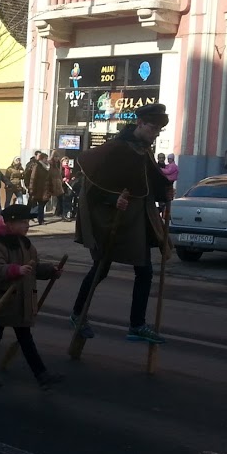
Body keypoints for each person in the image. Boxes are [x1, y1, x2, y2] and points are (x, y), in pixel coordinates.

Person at [70, 103, 174, 344]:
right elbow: (92, 186)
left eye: (159, 129)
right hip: (112, 220)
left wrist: (165, 192)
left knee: (145, 271)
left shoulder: (143, 150)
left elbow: (149, 181)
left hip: (138, 220)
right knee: (101, 268)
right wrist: (112, 199)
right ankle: (77, 313)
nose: (156, 133)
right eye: (153, 127)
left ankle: (137, 325)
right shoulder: (116, 148)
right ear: (140, 123)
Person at [0, 204, 65, 389]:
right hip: (1, 300)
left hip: (21, 302)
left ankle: (42, 375)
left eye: (28, 221)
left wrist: (50, 271)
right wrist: (15, 270)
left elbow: (33, 268)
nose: (27, 225)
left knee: (26, 339)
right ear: (10, 224)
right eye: (23, 222)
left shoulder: (26, 244)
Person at [27, 152, 52, 225]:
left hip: (45, 189)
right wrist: (31, 189)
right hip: (38, 189)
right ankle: (30, 217)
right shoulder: (37, 166)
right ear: (41, 159)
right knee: (38, 205)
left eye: (47, 158)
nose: (46, 160)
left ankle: (40, 219)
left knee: (42, 204)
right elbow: (33, 178)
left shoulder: (47, 167)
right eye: (45, 158)